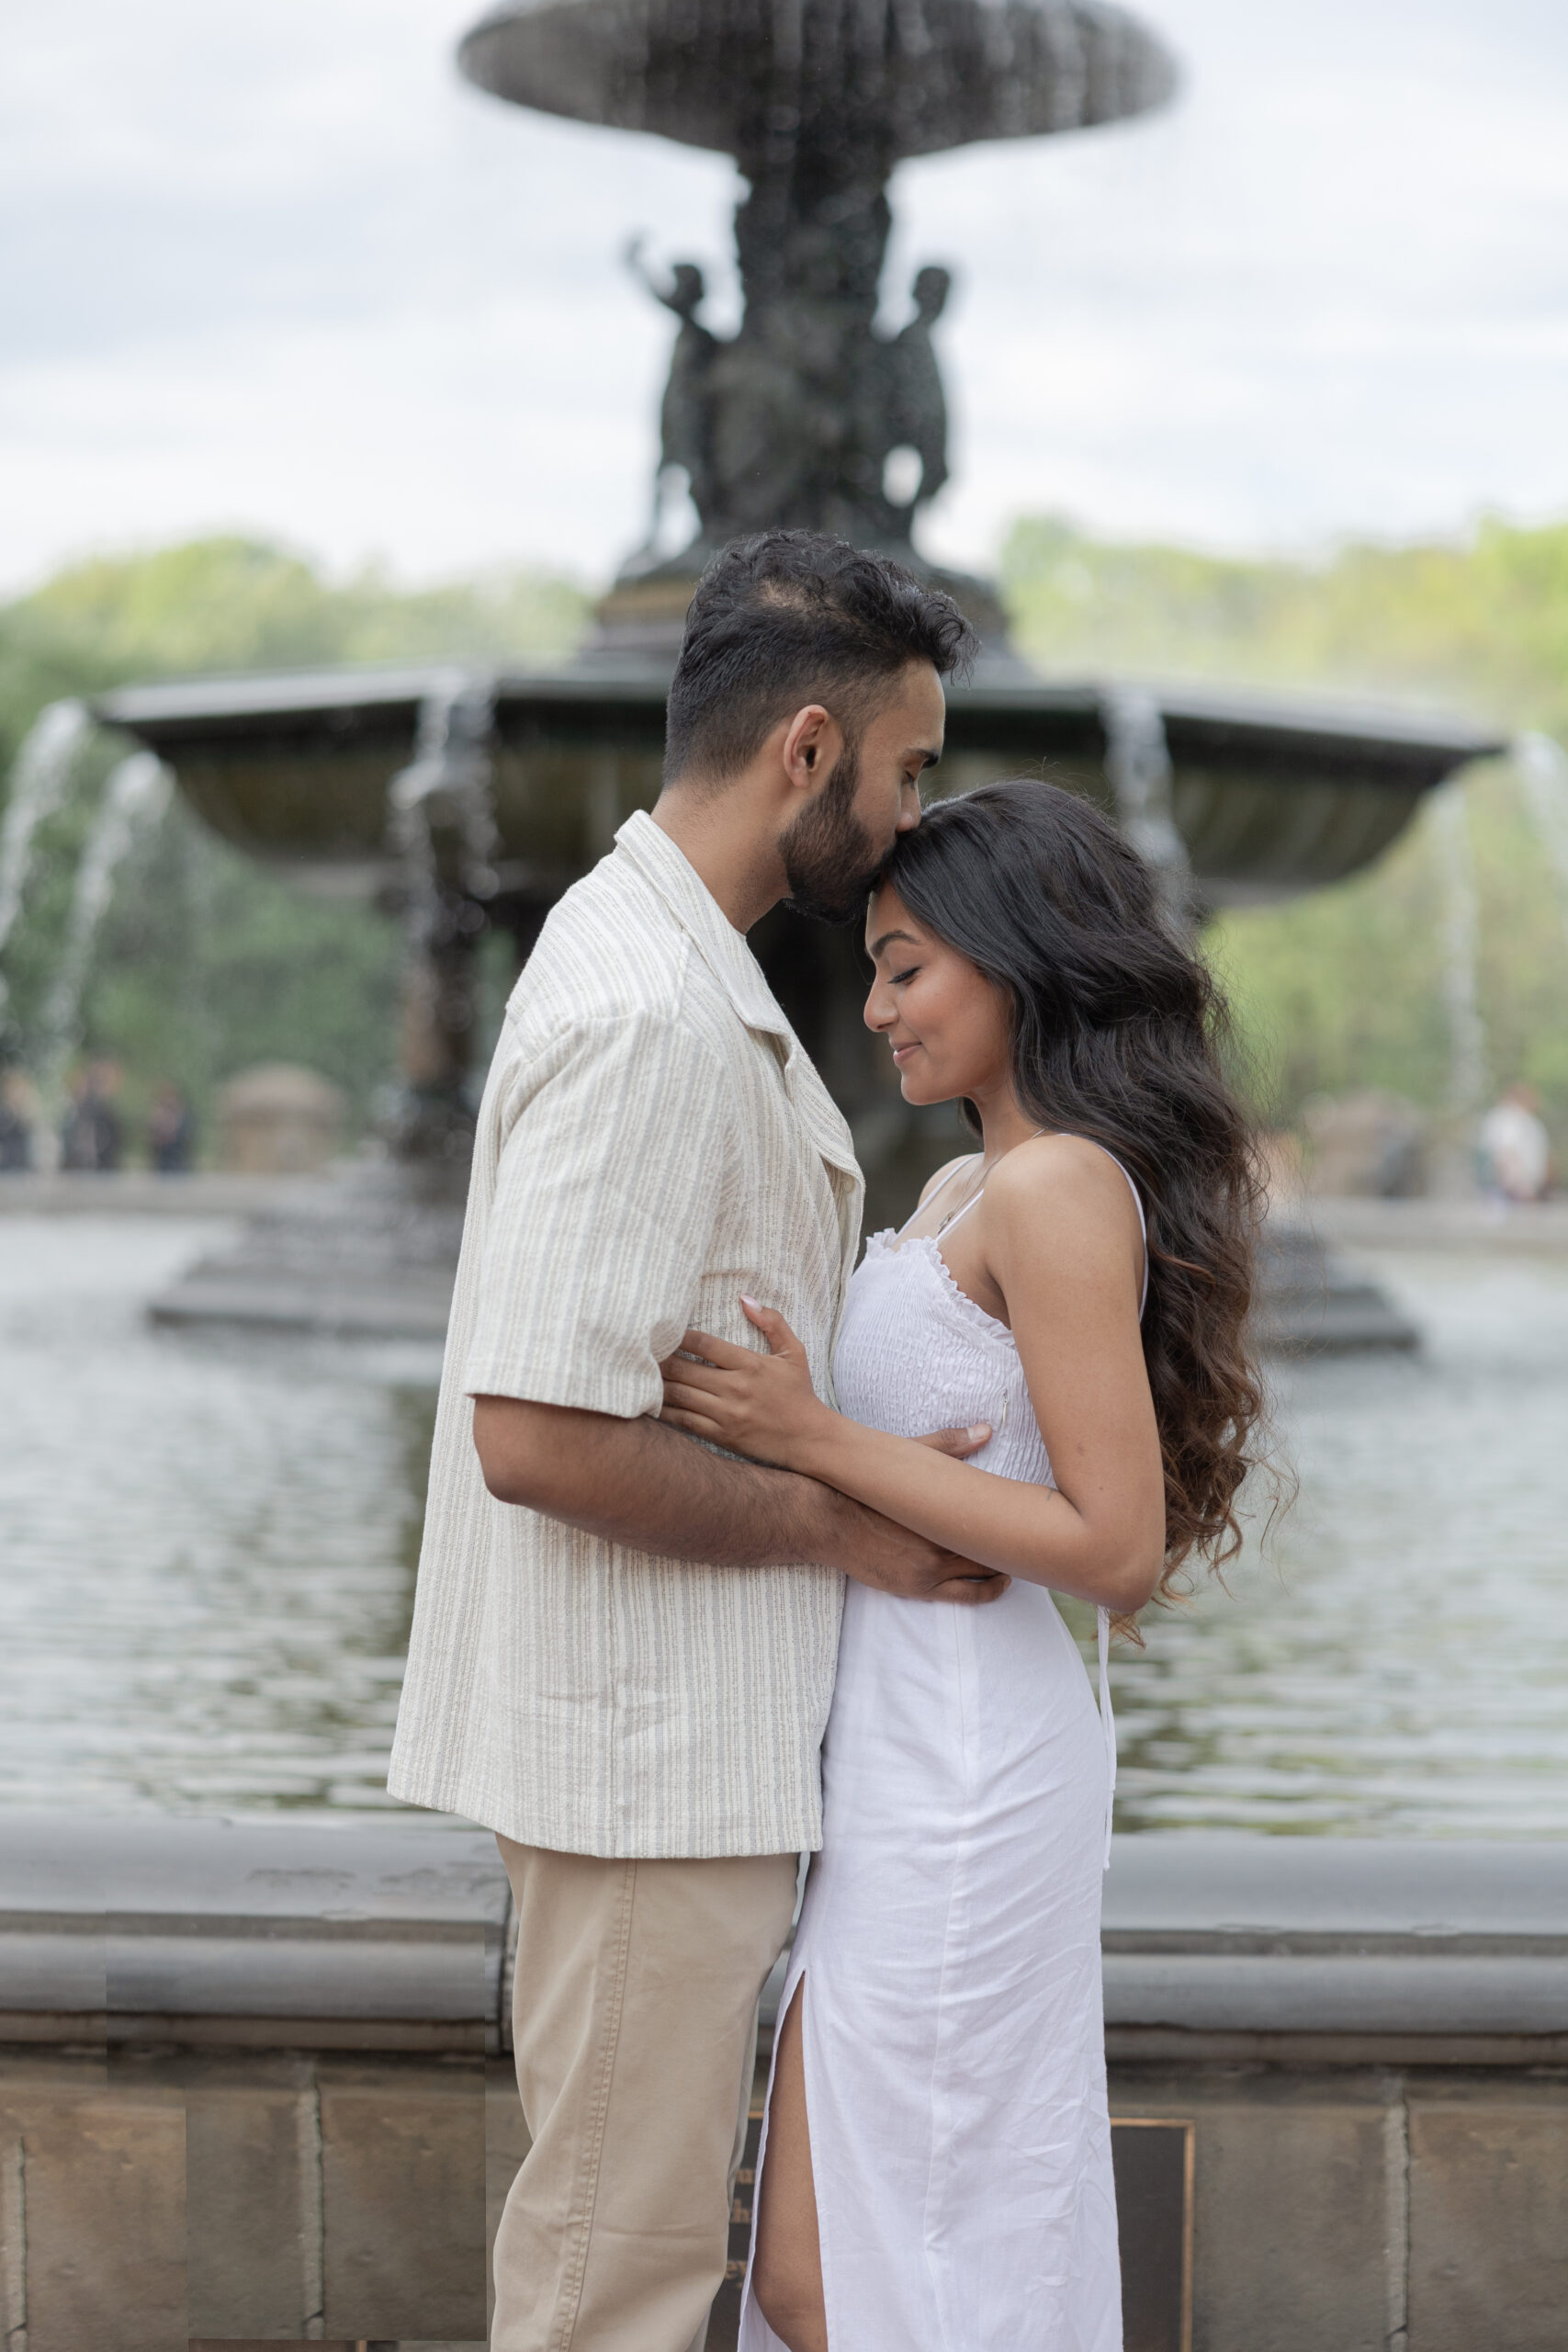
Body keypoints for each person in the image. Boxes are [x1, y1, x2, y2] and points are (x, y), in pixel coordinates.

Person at [387, 531, 1003, 2352]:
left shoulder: (648, 954)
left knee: (630, 2251)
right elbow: (537, 1435)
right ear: (806, 750)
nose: (906, 821)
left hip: (653, 1755)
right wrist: (843, 1520)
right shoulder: (653, 1014)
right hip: (641, 1773)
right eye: (904, 772)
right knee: (617, 2270)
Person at [659, 779, 1269, 2352]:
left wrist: (814, 1440)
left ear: (1013, 956)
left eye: (906, 965)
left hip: (971, 1772)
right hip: (895, 1758)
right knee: (837, 2263)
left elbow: (1113, 1550)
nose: (874, 1008)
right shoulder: (960, 1188)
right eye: (870, 966)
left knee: (844, 2270)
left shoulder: (1058, 1188)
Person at [1478, 1080, 1551, 1204]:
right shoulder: (1511, 1119)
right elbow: (1507, 1152)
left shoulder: (1522, 1119)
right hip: (1514, 1188)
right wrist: (1519, 1185)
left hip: (1516, 1186)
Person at [146, 1080, 196, 1173]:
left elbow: (186, 1141)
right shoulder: (158, 1117)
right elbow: (152, 1144)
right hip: (162, 1168)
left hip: (180, 1167)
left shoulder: (184, 1117)